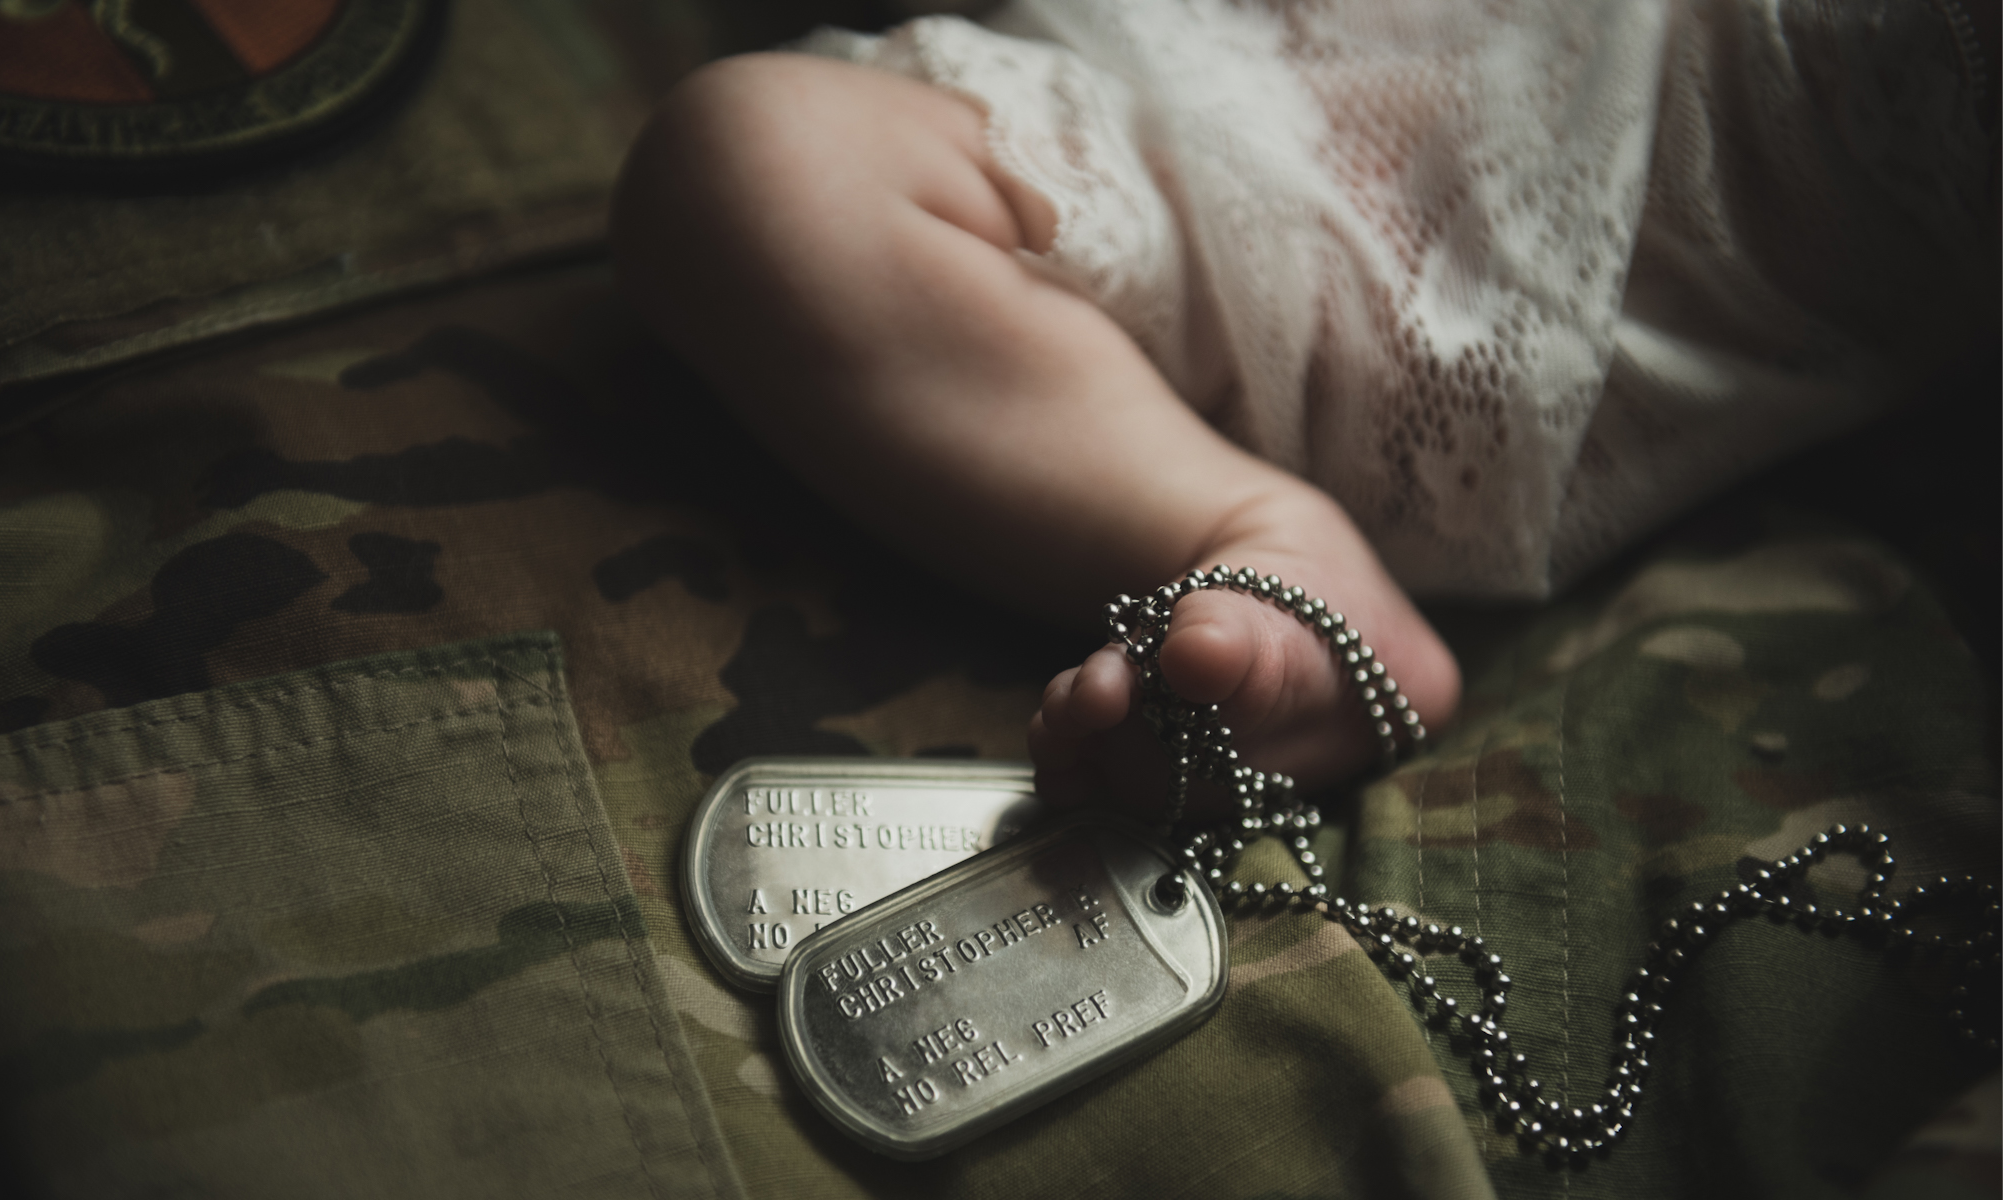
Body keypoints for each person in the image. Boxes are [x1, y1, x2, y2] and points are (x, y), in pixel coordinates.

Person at [611, 0, 1996, 805]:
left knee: (752, 166)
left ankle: (1251, 524)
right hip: (1198, 87)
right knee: (754, 164)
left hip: (1407, 284)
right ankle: (1234, 516)